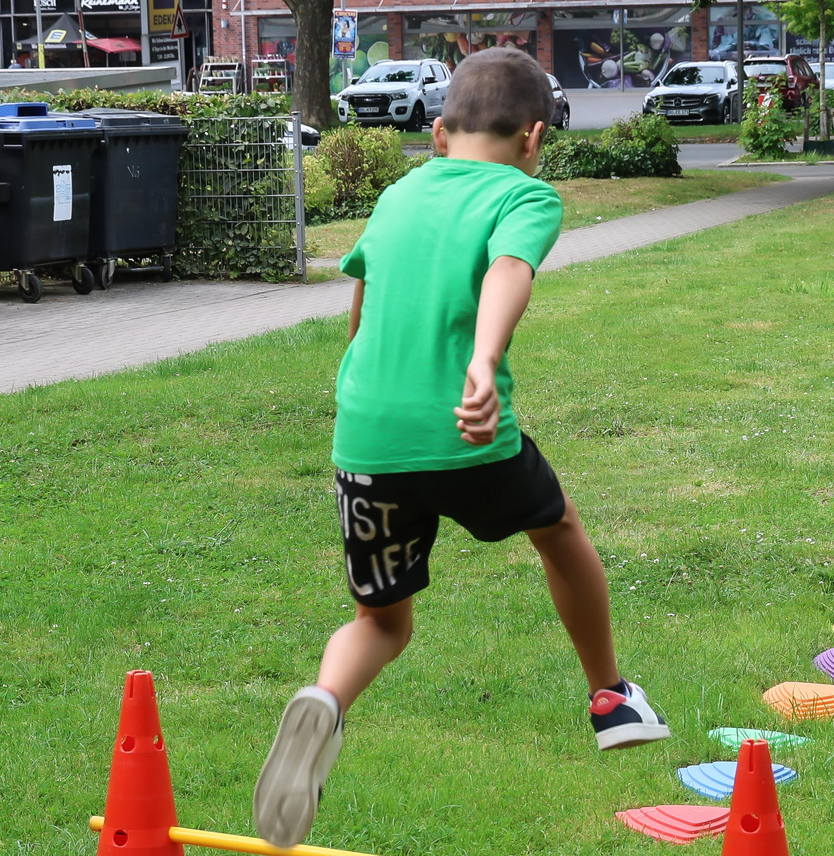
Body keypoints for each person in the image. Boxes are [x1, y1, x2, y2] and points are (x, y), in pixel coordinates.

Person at [250, 47, 672, 851]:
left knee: (381, 620)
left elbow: (362, 312)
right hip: (465, 432)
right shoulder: (524, 194)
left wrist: (362, 397)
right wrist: (481, 363)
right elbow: (508, 272)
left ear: (438, 132)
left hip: (366, 433)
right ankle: (611, 697)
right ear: (534, 136)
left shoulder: (398, 193)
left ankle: (326, 703)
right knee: (557, 531)